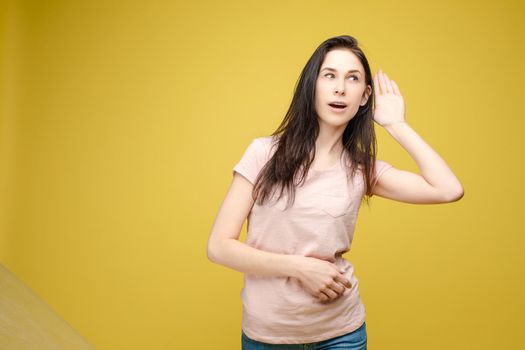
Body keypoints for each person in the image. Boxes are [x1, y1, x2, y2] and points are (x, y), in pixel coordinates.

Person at [207, 35, 464, 349]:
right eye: (329, 75)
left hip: (342, 334)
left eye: (352, 78)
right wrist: (301, 268)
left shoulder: (362, 169)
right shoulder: (264, 154)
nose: (340, 88)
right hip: (268, 337)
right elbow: (219, 246)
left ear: (365, 95)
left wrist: (396, 124)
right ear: (312, 86)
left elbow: (448, 189)